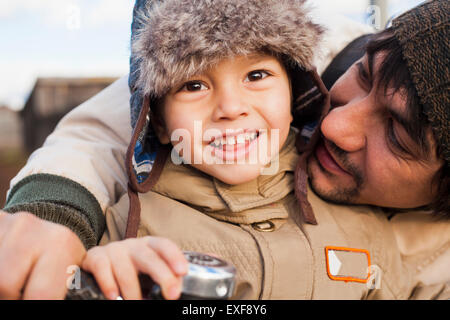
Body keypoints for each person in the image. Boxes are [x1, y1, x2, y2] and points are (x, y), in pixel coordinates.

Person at [2, 0, 448, 300]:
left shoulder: (400, 256)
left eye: (396, 137)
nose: (332, 123)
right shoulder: (131, 225)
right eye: (364, 75)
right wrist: (60, 229)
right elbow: (98, 134)